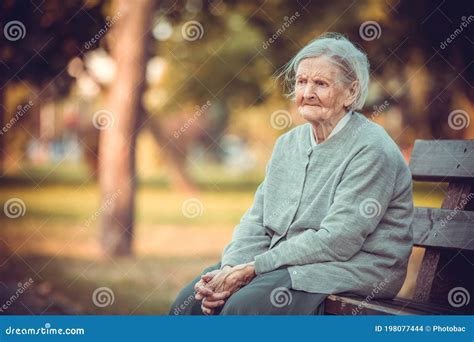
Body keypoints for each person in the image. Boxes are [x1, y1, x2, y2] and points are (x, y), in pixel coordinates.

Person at [170, 32, 414, 316]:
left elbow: (338, 240)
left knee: (243, 307)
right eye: (301, 81)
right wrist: (230, 268)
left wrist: (253, 268)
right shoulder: (288, 144)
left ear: (351, 92)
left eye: (321, 83)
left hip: (353, 266)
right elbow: (257, 220)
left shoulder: (371, 148)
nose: (307, 92)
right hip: (284, 263)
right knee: (189, 302)